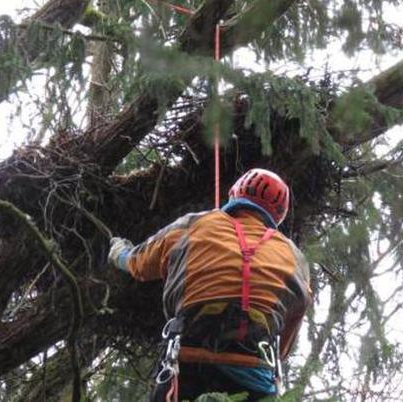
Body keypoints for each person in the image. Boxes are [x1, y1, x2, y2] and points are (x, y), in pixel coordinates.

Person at [108, 168, 312, 401]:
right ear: (278, 215)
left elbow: (140, 263)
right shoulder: (294, 257)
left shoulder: (195, 224)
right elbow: (291, 324)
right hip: (254, 373)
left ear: (235, 194)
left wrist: (119, 253)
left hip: (189, 362)